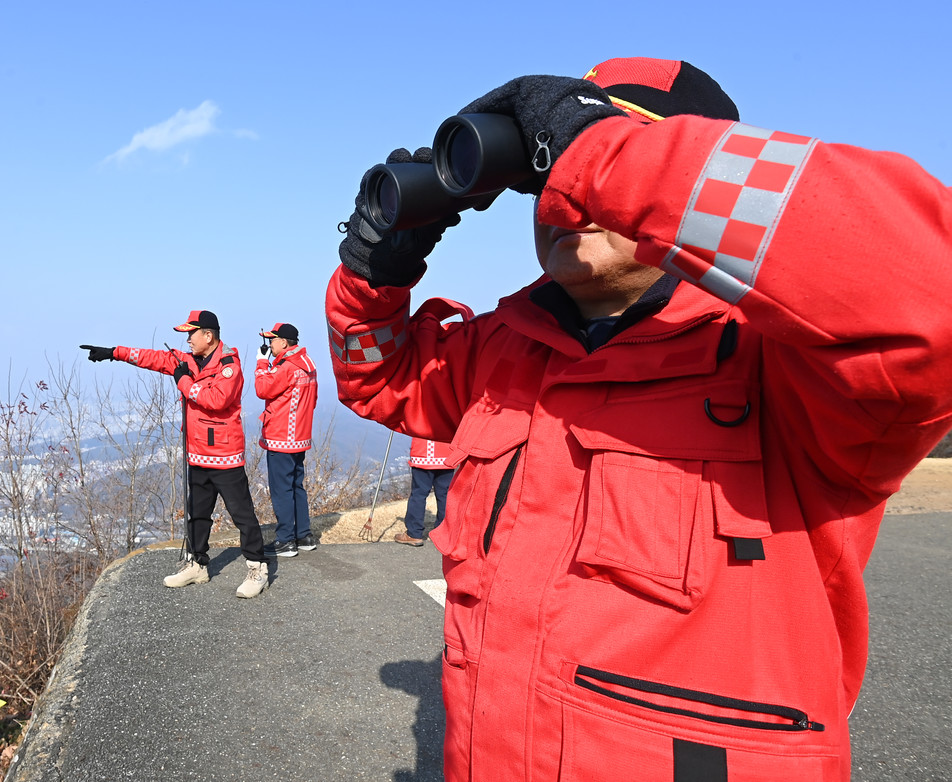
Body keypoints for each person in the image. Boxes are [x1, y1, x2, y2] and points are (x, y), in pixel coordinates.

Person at [327, 57, 952, 780]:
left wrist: (592, 146)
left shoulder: (784, 368)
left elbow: (930, 296)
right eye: (548, 177)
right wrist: (375, 276)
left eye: (599, 168)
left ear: (675, 186)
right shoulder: (507, 347)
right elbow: (380, 377)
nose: (562, 200)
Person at [85, 310, 268, 599]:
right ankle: (197, 564)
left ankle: (257, 567)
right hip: (196, 454)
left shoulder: (229, 364)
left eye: (191, 334)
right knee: (198, 514)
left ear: (208, 336)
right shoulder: (187, 360)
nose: (187, 340)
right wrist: (113, 352)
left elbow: (215, 400)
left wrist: (183, 382)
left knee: (241, 514)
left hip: (224, 454)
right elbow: (153, 358)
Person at [253, 322, 319, 557]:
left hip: (281, 437)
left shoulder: (287, 367)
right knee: (296, 486)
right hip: (300, 436)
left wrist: (261, 363)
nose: (269, 345)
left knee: (282, 490)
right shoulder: (308, 364)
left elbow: (263, 389)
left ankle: (285, 541)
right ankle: (304, 535)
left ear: (283, 342)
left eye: (272, 340)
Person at [394, 437, 454, 547]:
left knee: (418, 494)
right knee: (445, 494)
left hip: (424, 453)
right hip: (446, 453)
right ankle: (443, 533)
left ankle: (414, 533)